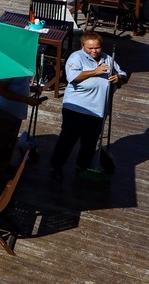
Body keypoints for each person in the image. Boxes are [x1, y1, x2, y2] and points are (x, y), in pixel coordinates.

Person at [50, 32, 128, 181]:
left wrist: (119, 78)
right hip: (76, 108)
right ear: (82, 46)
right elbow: (72, 77)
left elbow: (123, 75)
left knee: (90, 142)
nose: (94, 51)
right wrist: (95, 72)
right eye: (90, 48)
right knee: (68, 139)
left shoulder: (108, 58)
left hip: (98, 109)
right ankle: (56, 165)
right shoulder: (76, 57)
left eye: (97, 48)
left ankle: (82, 167)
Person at [0, 75, 47, 157]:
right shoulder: (9, 66)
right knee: (1, 144)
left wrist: (30, 89)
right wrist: (27, 100)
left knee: (9, 141)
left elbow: (15, 84)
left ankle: (4, 165)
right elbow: (0, 90)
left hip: (14, 112)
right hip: (4, 111)